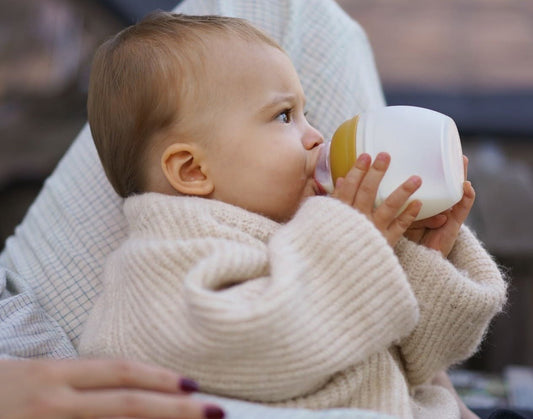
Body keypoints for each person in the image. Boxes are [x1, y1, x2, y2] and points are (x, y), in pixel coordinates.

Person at [75, 11, 507, 419]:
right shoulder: (160, 263)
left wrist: (420, 257)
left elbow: (415, 361)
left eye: (306, 113)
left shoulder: (305, 233)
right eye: (284, 116)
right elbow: (256, 346)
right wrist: (348, 243)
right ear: (192, 170)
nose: (316, 135)